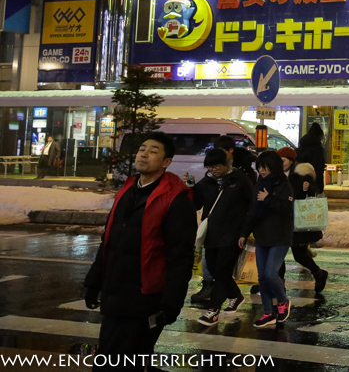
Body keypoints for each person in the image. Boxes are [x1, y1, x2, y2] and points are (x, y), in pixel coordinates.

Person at [83, 133, 197, 366]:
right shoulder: (127, 189)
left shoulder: (175, 198)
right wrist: (94, 281)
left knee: (122, 362)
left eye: (153, 151)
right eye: (141, 149)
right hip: (115, 293)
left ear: (166, 162)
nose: (143, 154)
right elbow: (109, 240)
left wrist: (171, 302)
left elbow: (181, 255)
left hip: (145, 299)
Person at [193, 147, 252, 327]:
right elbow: (196, 204)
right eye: (210, 166)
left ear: (227, 164)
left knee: (223, 270)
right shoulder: (206, 183)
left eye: (217, 166)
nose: (214, 169)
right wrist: (189, 188)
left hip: (233, 234)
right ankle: (235, 295)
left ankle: (213, 311)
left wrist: (245, 233)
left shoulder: (240, 180)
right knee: (215, 269)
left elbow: (252, 208)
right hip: (212, 234)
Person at [239, 150, 294, 328]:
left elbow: (286, 208)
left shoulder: (283, 183)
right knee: (262, 277)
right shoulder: (259, 183)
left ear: (274, 166)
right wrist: (244, 233)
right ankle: (268, 312)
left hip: (280, 235)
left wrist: (268, 198)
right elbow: (253, 211)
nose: (262, 171)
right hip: (262, 235)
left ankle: (283, 301)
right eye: (259, 167)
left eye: (265, 167)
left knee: (271, 273)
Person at [279, 147, 329, 293]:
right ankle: (278, 284)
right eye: (279, 161)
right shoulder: (275, 175)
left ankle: (319, 273)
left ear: (291, 160)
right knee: (278, 254)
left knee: (299, 255)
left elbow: (315, 189)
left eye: (284, 161)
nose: (281, 164)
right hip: (281, 220)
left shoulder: (301, 173)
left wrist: (308, 188)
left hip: (297, 221)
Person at [296, 123, 327, 190]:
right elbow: (319, 169)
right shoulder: (318, 150)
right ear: (319, 135)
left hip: (299, 180)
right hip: (312, 182)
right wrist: (320, 187)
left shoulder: (300, 148)